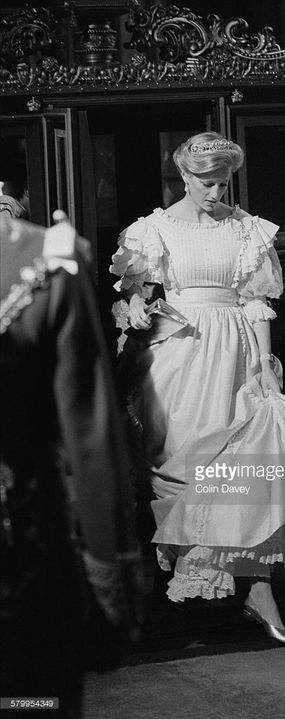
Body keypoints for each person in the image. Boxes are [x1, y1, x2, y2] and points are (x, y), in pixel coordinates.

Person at [110, 131, 285, 646]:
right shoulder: (152, 230)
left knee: (249, 459)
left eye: (223, 183)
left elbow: (255, 300)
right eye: (206, 183)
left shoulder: (247, 230)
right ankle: (196, 582)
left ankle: (258, 586)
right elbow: (131, 293)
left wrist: (266, 364)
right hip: (178, 356)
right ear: (184, 176)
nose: (215, 193)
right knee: (185, 466)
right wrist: (133, 305)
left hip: (237, 354)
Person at [0, 211, 142, 718]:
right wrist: (112, 594)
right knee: (30, 702)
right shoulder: (42, 263)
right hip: (22, 557)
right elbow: (89, 439)